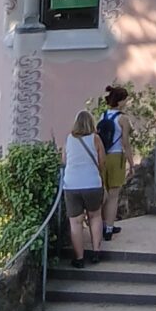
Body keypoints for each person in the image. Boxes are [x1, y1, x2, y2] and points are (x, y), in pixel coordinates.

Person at [61, 107, 106, 263]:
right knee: (95, 217)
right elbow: (102, 162)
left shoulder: (68, 139)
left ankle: (79, 258)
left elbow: (64, 162)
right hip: (92, 183)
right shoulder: (96, 139)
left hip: (71, 184)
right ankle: (96, 252)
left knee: (75, 222)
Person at [97, 83, 131, 235]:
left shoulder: (102, 115)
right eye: (125, 100)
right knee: (113, 195)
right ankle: (109, 228)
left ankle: (103, 224)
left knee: (104, 192)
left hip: (103, 156)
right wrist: (131, 162)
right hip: (116, 156)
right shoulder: (123, 119)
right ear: (121, 101)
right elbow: (125, 142)